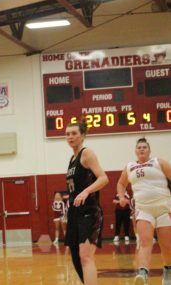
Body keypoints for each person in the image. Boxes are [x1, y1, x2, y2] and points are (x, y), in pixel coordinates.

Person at [117, 137, 171, 285]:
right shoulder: (129, 166)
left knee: (166, 246)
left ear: (149, 150)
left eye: (144, 147)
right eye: (139, 147)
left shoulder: (159, 162)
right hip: (143, 209)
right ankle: (143, 274)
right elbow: (121, 183)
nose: (141, 149)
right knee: (145, 242)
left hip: (164, 209)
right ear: (135, 151)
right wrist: (121, 197)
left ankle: (168, 270)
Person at [64, 122, 109, 285]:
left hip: (89, 211)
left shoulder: (86, 153)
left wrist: (86, 191)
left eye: (74, 133)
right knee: (76, 257)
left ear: (82, 136)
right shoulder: (72, 159)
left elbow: (104, 178)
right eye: (67, 133)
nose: (70, 136)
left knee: (85, 256)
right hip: (74, 213)